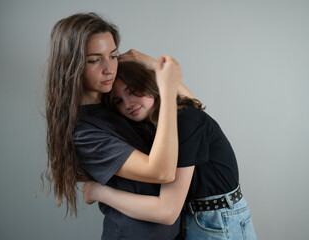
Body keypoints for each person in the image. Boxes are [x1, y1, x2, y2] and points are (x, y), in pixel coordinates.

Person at [43, 12, 192, 240]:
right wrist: (168, 88)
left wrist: (150, 63)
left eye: (113, 56)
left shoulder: (115, 99)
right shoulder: (83, 132)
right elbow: (161, 171)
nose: (109, 68)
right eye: (94, 60)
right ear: (70, 65)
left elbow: (193, 114)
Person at [82, 61, 257, 239]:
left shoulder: (186, 121)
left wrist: (98, 192)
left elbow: (166, 211)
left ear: (152, 85)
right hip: (196, 218)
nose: (128, 104)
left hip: (218, 222)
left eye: (133, 91)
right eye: (118, 101)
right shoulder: (158, 128)